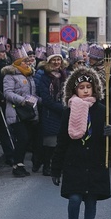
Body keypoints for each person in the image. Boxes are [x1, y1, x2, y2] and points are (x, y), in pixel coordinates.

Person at [52, 66, 111, 219]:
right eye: (82, 87)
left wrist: (110, 133)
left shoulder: (102, 110)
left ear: (94, 88)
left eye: (89, 86)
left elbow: (110, 141)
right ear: (74, 90)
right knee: (74, 198)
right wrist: (56, 168)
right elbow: (62, 140)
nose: (86, 90)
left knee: (91, 200)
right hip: (75, 162)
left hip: (94, 163)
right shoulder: (68, 111)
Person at [3, 47, 41, 177]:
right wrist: (22, 100)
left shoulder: (29, 74)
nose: (28, 63)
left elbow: (32, 93)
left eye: (27, 61)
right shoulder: (11, 75)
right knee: (23, 138)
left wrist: (37, 100)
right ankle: (16, 165)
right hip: (16, 112)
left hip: (28, 112)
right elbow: (7, 93)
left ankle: (20, 164)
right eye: (24, 61)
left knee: (25, 140)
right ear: (18, 63)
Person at [36, 44, 68, 176]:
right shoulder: (45, 77)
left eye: (58, 59)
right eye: (53, 60)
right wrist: (61, 107)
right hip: (50, 113)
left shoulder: (65, 75)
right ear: (49, 61)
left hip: (64, 113)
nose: (56, 62)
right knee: (50, 143)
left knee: (61, 142)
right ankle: (47, 166)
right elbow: (46, 98)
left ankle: (58, 166)